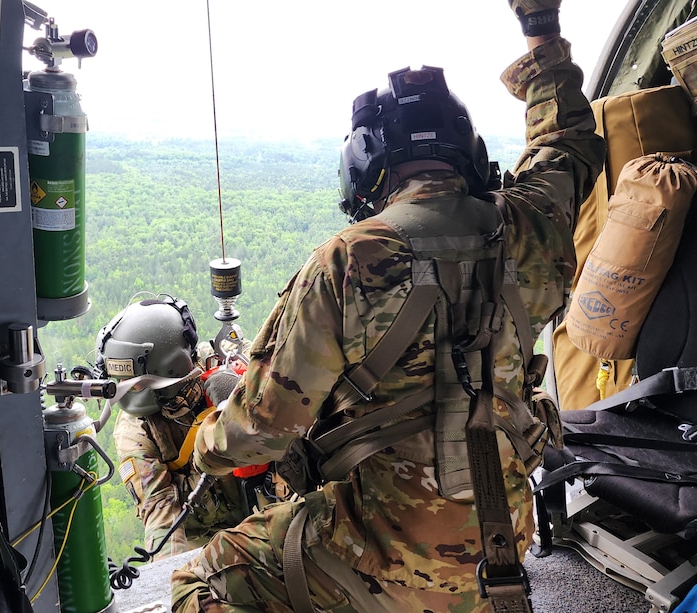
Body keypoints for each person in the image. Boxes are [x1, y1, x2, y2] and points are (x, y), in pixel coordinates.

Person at [171, 1, 605, 611]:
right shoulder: (535, 224)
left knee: (205, 578)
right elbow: (568, 141)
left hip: (382, 553)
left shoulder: (349, 259)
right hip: (500, 540)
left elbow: (261, 433)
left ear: (366, 163)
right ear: (467, 149)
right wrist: (540, 29)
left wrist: (208, 441)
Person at [97, 294, 270, 561]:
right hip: (205, 543)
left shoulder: (225, 362)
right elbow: (160, 513)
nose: (132, 393)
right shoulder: (135, 431)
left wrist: (241, 391)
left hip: (270, 511)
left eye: (138, 384)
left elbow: (290, 394)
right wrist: (171, 584)